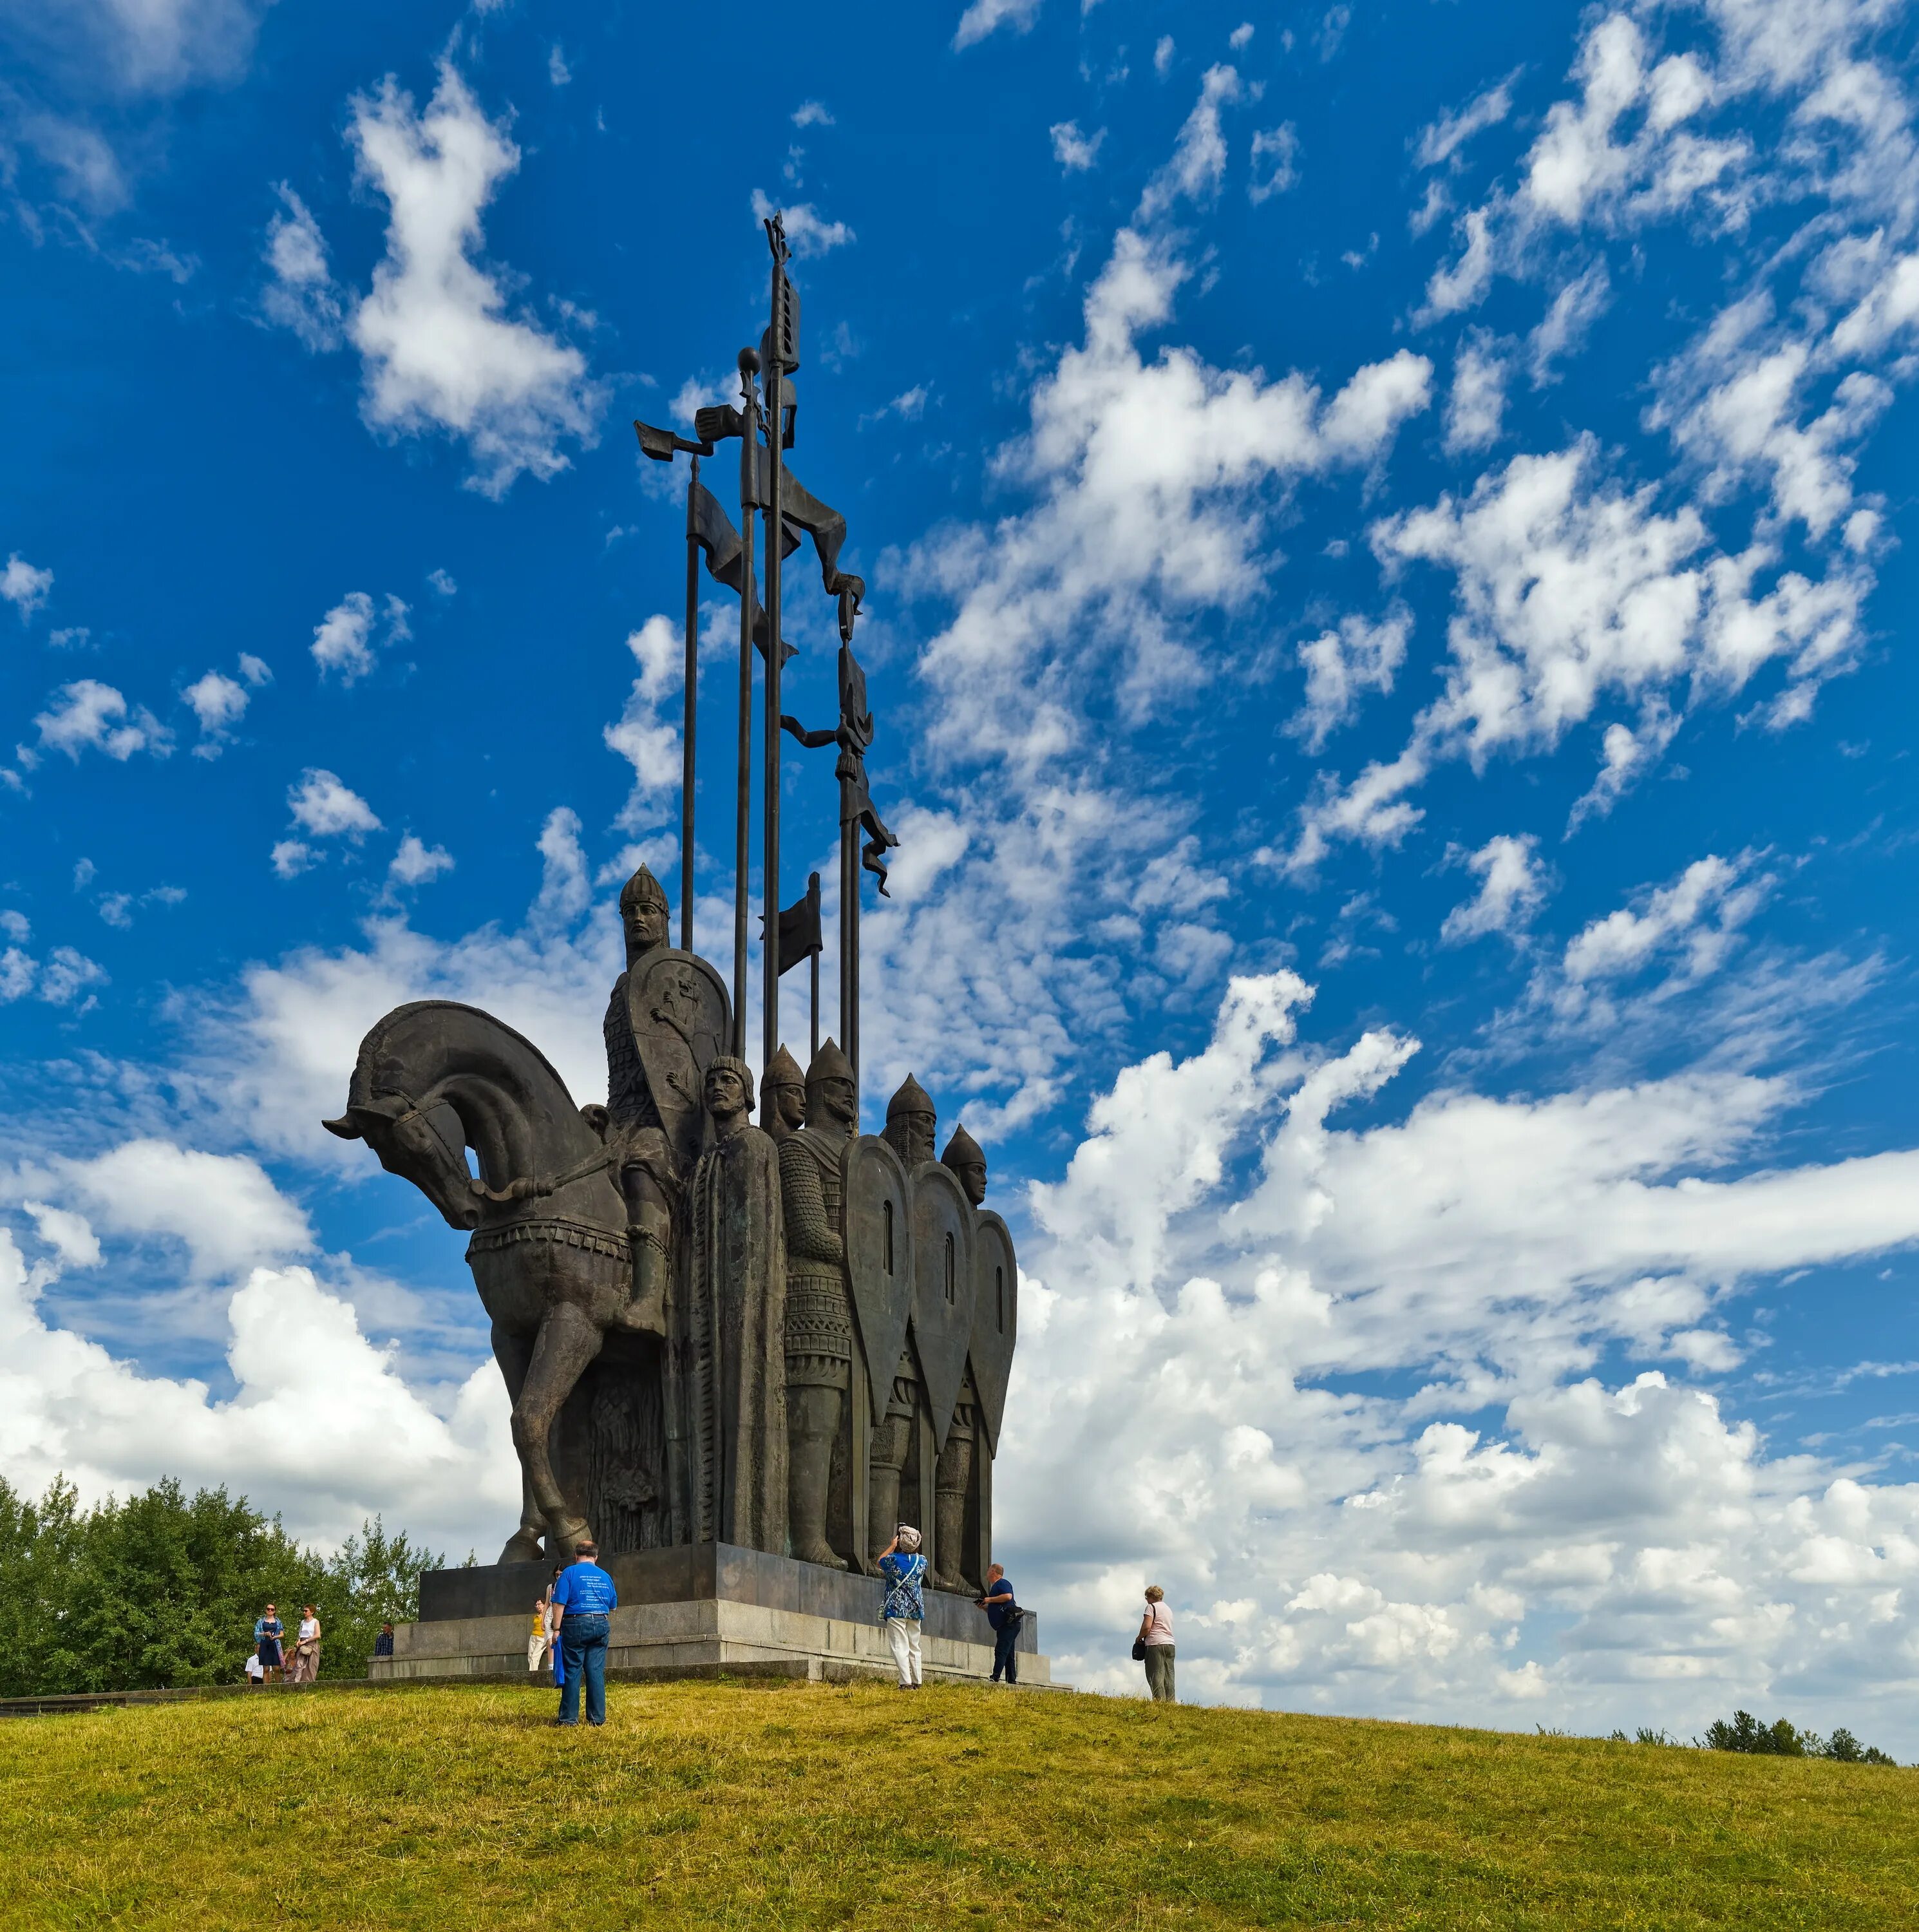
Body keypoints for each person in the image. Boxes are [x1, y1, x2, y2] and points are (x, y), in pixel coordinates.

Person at [550, 1540, 618, 1727]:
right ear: (596, 1557)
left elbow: (559, 1603)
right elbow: (612, 1606)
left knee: (573, 1670)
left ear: (575, 1555)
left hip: (575, 1624)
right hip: (601, 1623)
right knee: (595, 1671)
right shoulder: (605, 1576)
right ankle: (597, 1719)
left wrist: (556, 1630)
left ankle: (569, 1719)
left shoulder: (569, 1573)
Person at [876, 1526, 927, 1690]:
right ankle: (917, 1681)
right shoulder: (922, 1561)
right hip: (915, 1608)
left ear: (901, 1542)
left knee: (900, 1646)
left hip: (897, 1608)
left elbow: (879, 1562)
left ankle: (905, 1682)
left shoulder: (893, 1560)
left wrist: (892, 1546)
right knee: (914, 1646)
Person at [975, 1564, 1019, 1686]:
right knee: (1009, 1652)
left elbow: (1008, 1596)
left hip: (1008, 1624)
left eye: (988, 1569)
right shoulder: (996, 1587)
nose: (987, 1572)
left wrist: (989, 1600)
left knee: (1001, 1651)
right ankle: (1011, 1680)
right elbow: (996, 1609)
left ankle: (995, 1678)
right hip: (1007, 1625)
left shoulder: (1002, 1583)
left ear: (993, 1572)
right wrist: (984, 1608)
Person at [1138, 1586, 1175, 1703]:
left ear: (1152, 1596)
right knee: (1169, 1675)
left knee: (1156, 1674)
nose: (1147, 1600)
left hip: (1155, 1644)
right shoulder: (1168, 1609)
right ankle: (1171, 1703)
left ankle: (1159, 1702)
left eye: (1147, 1597)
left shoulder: (1151, 1607)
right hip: (1170, 1644)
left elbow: (1147, 1627)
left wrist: (1139, 1638)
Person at [288, 1605, 321, 1684]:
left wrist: (306, 1641)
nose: (304, 1612)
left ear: (312, 1612)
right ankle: (296, 1683)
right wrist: (299, 1641)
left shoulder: (315, 1622)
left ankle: (308, 1684)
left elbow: (318, 1635)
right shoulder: (303, 1622)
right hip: (302, 1645)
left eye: (306, 1611)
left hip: (311, 1644)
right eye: (304, 1611)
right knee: (299, 1665)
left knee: (311, 1666)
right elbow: (300, 1634)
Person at [254, 1603, 285, 1684]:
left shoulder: (278, 1621)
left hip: (275, 1645)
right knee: (266, 1669)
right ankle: (266, 1689)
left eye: (272, 1609)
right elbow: (256, 1633)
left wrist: (275, 1637)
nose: (270, 1611)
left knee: (277, 1668)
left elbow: (282, 1634)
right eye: (268, 1609)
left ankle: (279, 1688)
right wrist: (264, 1634)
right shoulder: (261, 1621)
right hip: (264, 1644)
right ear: (266, 1610)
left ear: (275, 1611)